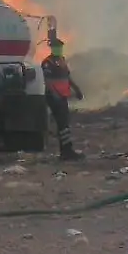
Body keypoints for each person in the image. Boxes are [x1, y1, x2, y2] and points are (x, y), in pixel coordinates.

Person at [41, 25, 85, 161]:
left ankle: (67, 149)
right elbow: (47, 81)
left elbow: (67, 77)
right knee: (62, 123)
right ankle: (66, 152)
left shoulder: (62, 61)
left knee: (65, 123)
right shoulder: (47, 63)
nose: (59, 50)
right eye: (56, 48)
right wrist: (55, 95)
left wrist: (77, 89)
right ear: (52, 48)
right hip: (54, 97)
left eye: (60, 48)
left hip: (63, 95)